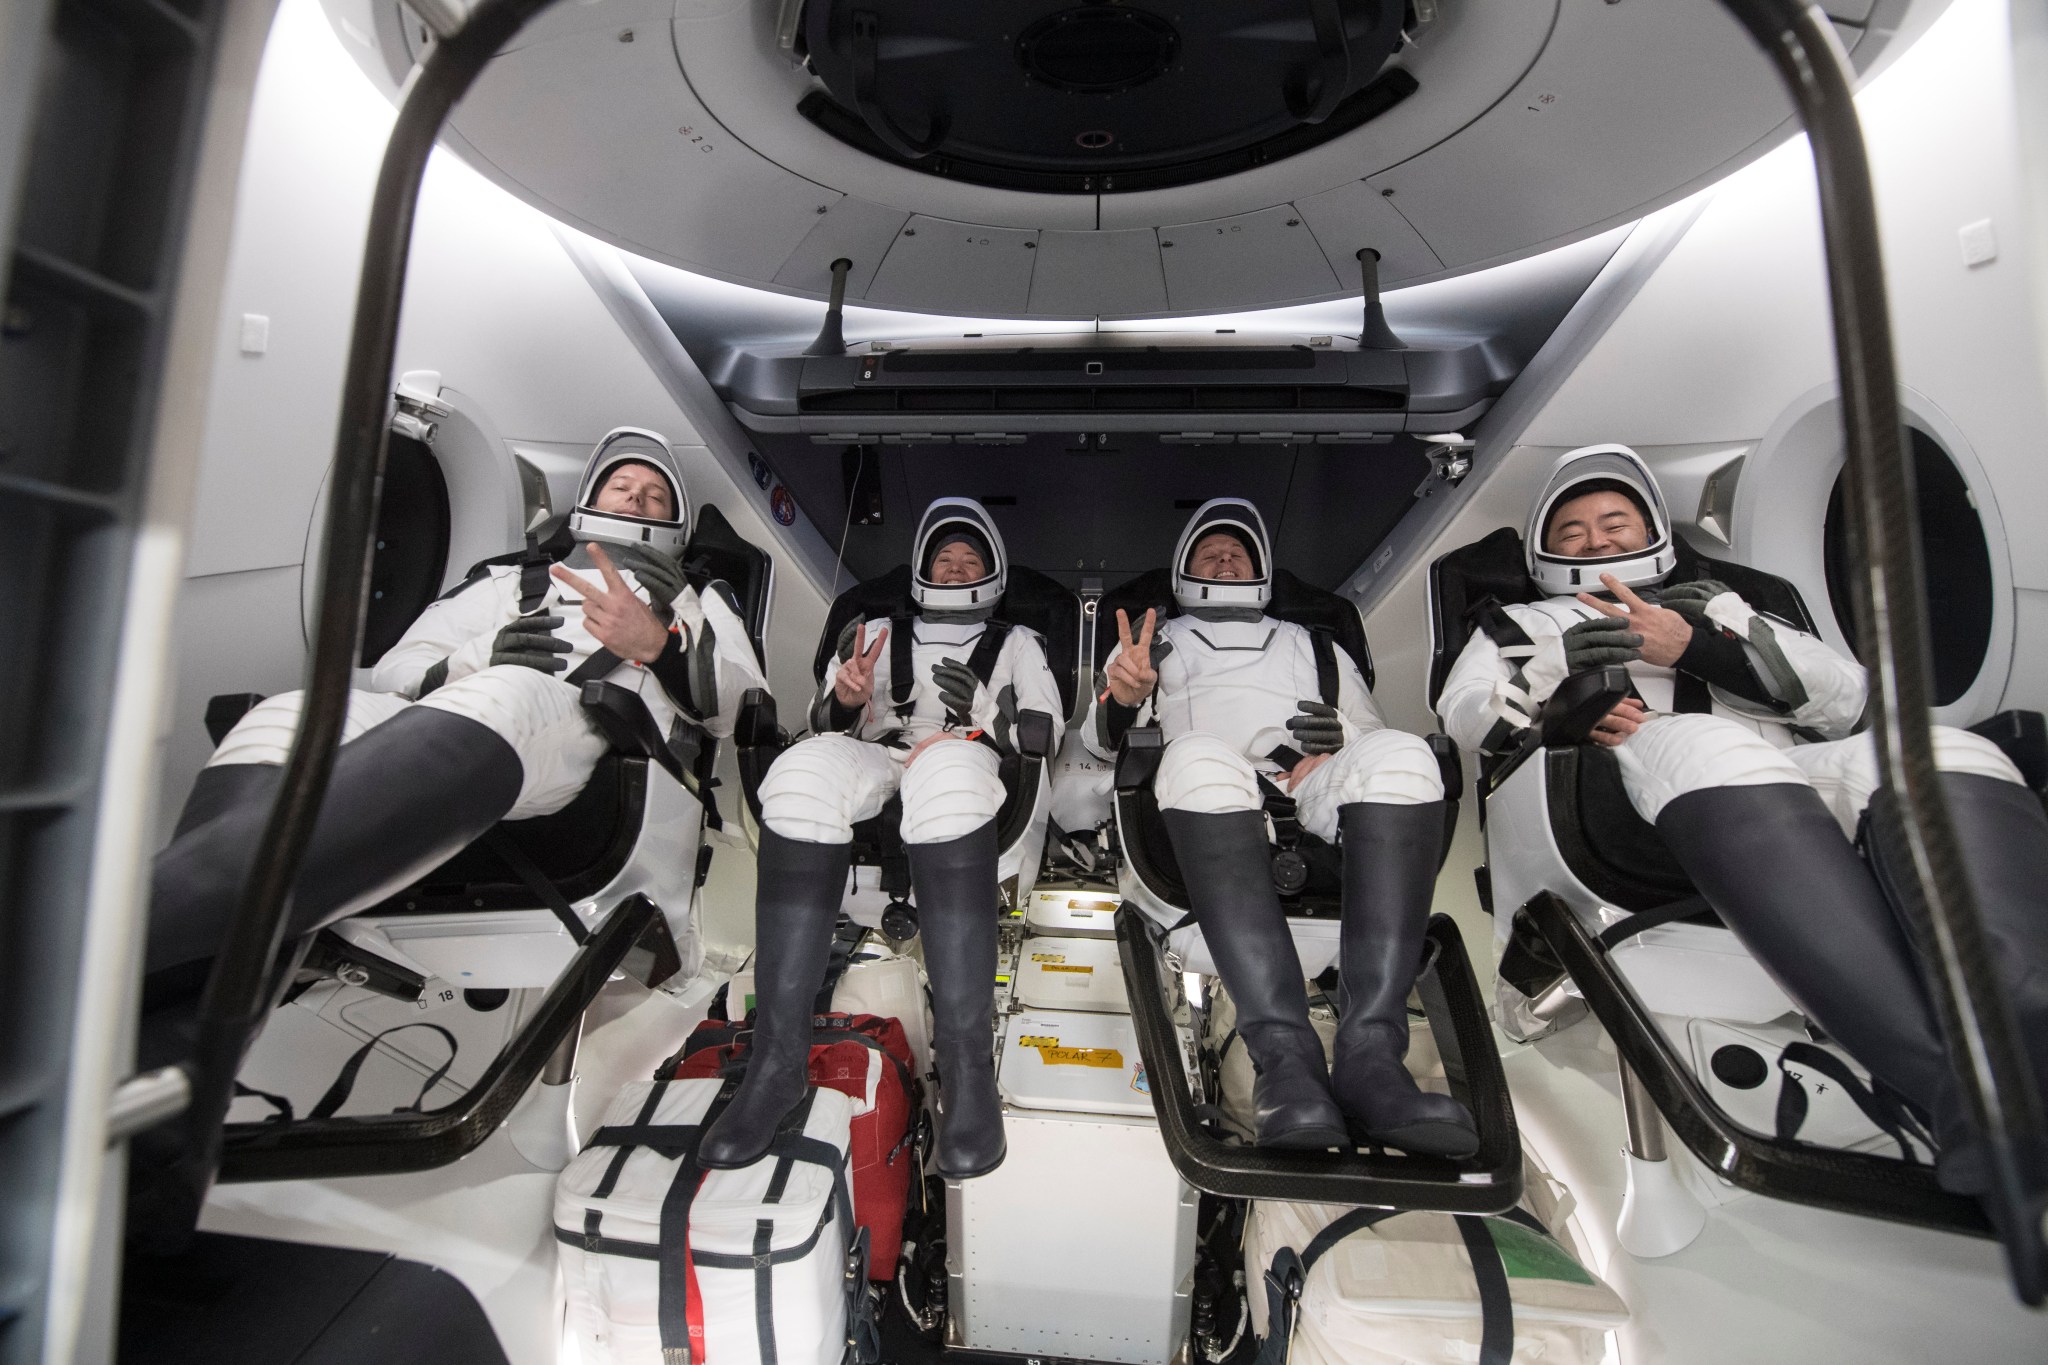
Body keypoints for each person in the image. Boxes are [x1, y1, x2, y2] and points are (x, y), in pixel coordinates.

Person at [1437, 442, 2048, 1186]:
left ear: (1653, 528)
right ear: (1542, 549)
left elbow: (1848, 699)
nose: (1595, 541)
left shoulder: (1727, 604)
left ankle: (2026, 1033)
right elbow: (1470, 712)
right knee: (1710, 745)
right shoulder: (1518, 625)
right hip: (1625, 774)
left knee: (1939, 753)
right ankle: (1956, 1093)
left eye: (1615, 522)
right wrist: (1564, 692)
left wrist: (1698, 644)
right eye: (1572, 531)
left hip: (1791, 772)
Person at [146, 427, 766, 989]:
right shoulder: (506, 579)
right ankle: (178, 1000)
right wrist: (474, 657)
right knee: (289, 717)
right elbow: (396, 670)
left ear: (675, 524)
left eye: (655, 496)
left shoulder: (696, 600)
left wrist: (657, 645)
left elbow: (743, 707)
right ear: (589, 502)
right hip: (448, 715)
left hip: (590, 748)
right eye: (622, 486)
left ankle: (152, 917)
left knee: (510, 694)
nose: (636, 499)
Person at [1083, 499, 1478, 1157]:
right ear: (1183, 570)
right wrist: (1123, 695)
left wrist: (1345, 734)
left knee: (1407, 754)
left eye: (1238, 549)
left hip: (1309, 779)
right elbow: (1100, 742)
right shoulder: (1156, 643)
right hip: (1203, 793)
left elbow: (1373, 741)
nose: (1226, 556)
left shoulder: (1319, 646)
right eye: (1210, 550)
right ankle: (1285, 1061)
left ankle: (1371, 1056)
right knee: (1196, 756)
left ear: (1264, 568)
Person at [699, 498, 1062, 1179]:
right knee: (798, 771)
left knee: (947, 773)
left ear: (992, 574)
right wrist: (843, 695)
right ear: (922, 569)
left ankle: (967, 1073)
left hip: (963, 752)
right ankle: (777, 1067)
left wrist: (983, 710)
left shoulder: (1017, 644)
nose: (955, 569)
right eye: (943, 560)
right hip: (873, 751)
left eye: (970, 561)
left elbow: (1046, 728)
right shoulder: (871, 626)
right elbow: (822, 717)